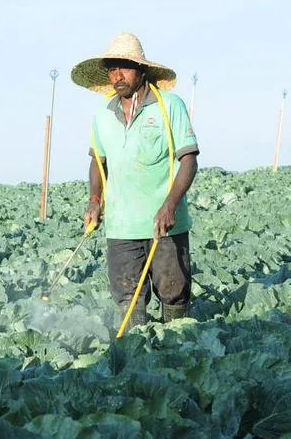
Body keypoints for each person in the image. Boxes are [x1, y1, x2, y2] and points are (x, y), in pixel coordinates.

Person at [70, 32, 199, 331]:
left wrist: (169, 206)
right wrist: (94, 201)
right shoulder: (103, 113)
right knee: (128, 299)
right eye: (112, 69)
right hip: (121, 226)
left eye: (124, 68)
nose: (117, 75)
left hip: (165, 224)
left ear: (141, 70)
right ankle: (135, 354)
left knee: (174, 293)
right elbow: (98, 161)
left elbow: (189, 160)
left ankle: (180, 347)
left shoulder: (169, 106)